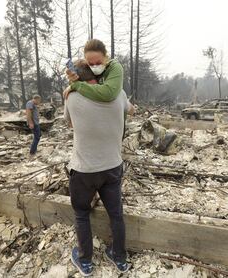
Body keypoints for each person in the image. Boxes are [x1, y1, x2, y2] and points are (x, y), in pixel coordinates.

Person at [64, 39, 135, 277]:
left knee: (82, 214)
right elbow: (131, 110)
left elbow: (71, 123)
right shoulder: (119, 93)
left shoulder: (71, 96)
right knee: (116, 214)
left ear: (76, 78)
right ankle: (120, 258)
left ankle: (85, 261)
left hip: (84, 169)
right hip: (113, 167)